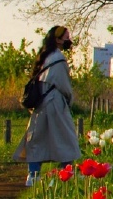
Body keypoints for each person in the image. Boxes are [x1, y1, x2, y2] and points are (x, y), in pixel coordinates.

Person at [12, 25, 81, 185]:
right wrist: (69, 101)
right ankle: (67, 172)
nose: (68, 40)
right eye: (65, 37)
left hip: (41, 103)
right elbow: (64, 85)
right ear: (57, 40)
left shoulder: (45, 56)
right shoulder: (58, 59)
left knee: (37, 139)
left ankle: (33, 175)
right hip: (55, 102)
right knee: (65, 137)